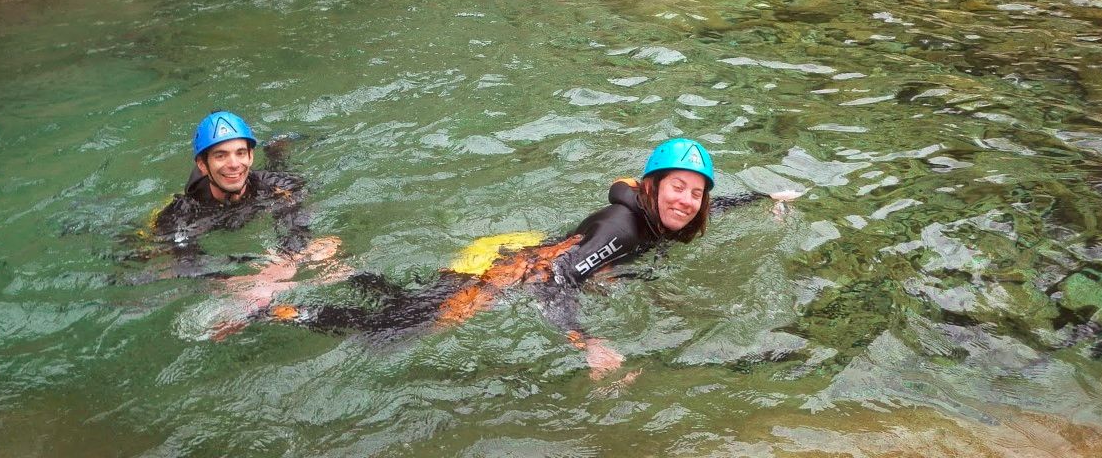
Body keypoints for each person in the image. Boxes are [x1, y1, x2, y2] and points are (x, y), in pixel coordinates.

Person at [207, 137, 801, 378]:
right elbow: (556, 277)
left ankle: (333, 270)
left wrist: (763, 198)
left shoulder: (670, 213)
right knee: (398, 330)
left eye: (696, 191)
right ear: (650, 186)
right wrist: (584, 342)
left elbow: (705, 210)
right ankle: (268, 309)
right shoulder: (622, 227)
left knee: (412, 304)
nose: (687, 199)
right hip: (512, 268)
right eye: (677, 186)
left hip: (508, 250)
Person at [142, 111, 311, 260]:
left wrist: (288, 258)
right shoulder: (184, 213)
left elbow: (297, 227)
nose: (234, 164)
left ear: (251, 156)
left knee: (276, 165)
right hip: (204, 194)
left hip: (260, 183)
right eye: (221, 155)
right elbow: (187, 264)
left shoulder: (274, 185)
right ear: (202, 164)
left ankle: (275, 148)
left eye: (241, 153)